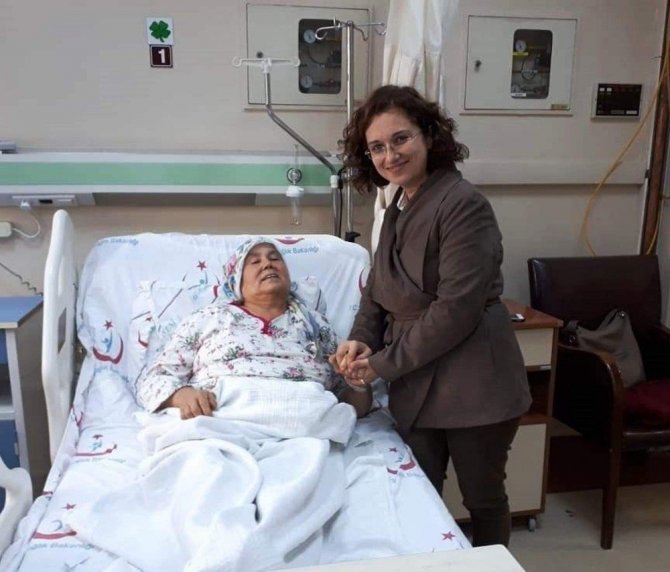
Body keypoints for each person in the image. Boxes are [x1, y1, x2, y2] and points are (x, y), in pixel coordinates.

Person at [330, 85, 531, 547]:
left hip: (473, 380)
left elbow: (456, 310)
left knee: (483, 499)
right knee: (421, 498)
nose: (390, 155)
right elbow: (378, 290)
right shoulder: (396, 207)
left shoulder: (462, 204)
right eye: (377, 147)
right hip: (415, 381)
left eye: (400, 139)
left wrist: (381, 364)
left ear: (428, 135)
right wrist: (361, 339)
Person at [135, 236, 372, 419]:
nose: (267, 264)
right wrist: (181, 395)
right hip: (222, 416)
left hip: (303, 420)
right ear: (236, 281)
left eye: (275, 258)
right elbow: (153, 379)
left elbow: (351, 405)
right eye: (255, 261)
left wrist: (358, 383)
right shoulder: (208, 318)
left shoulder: (315, 324)